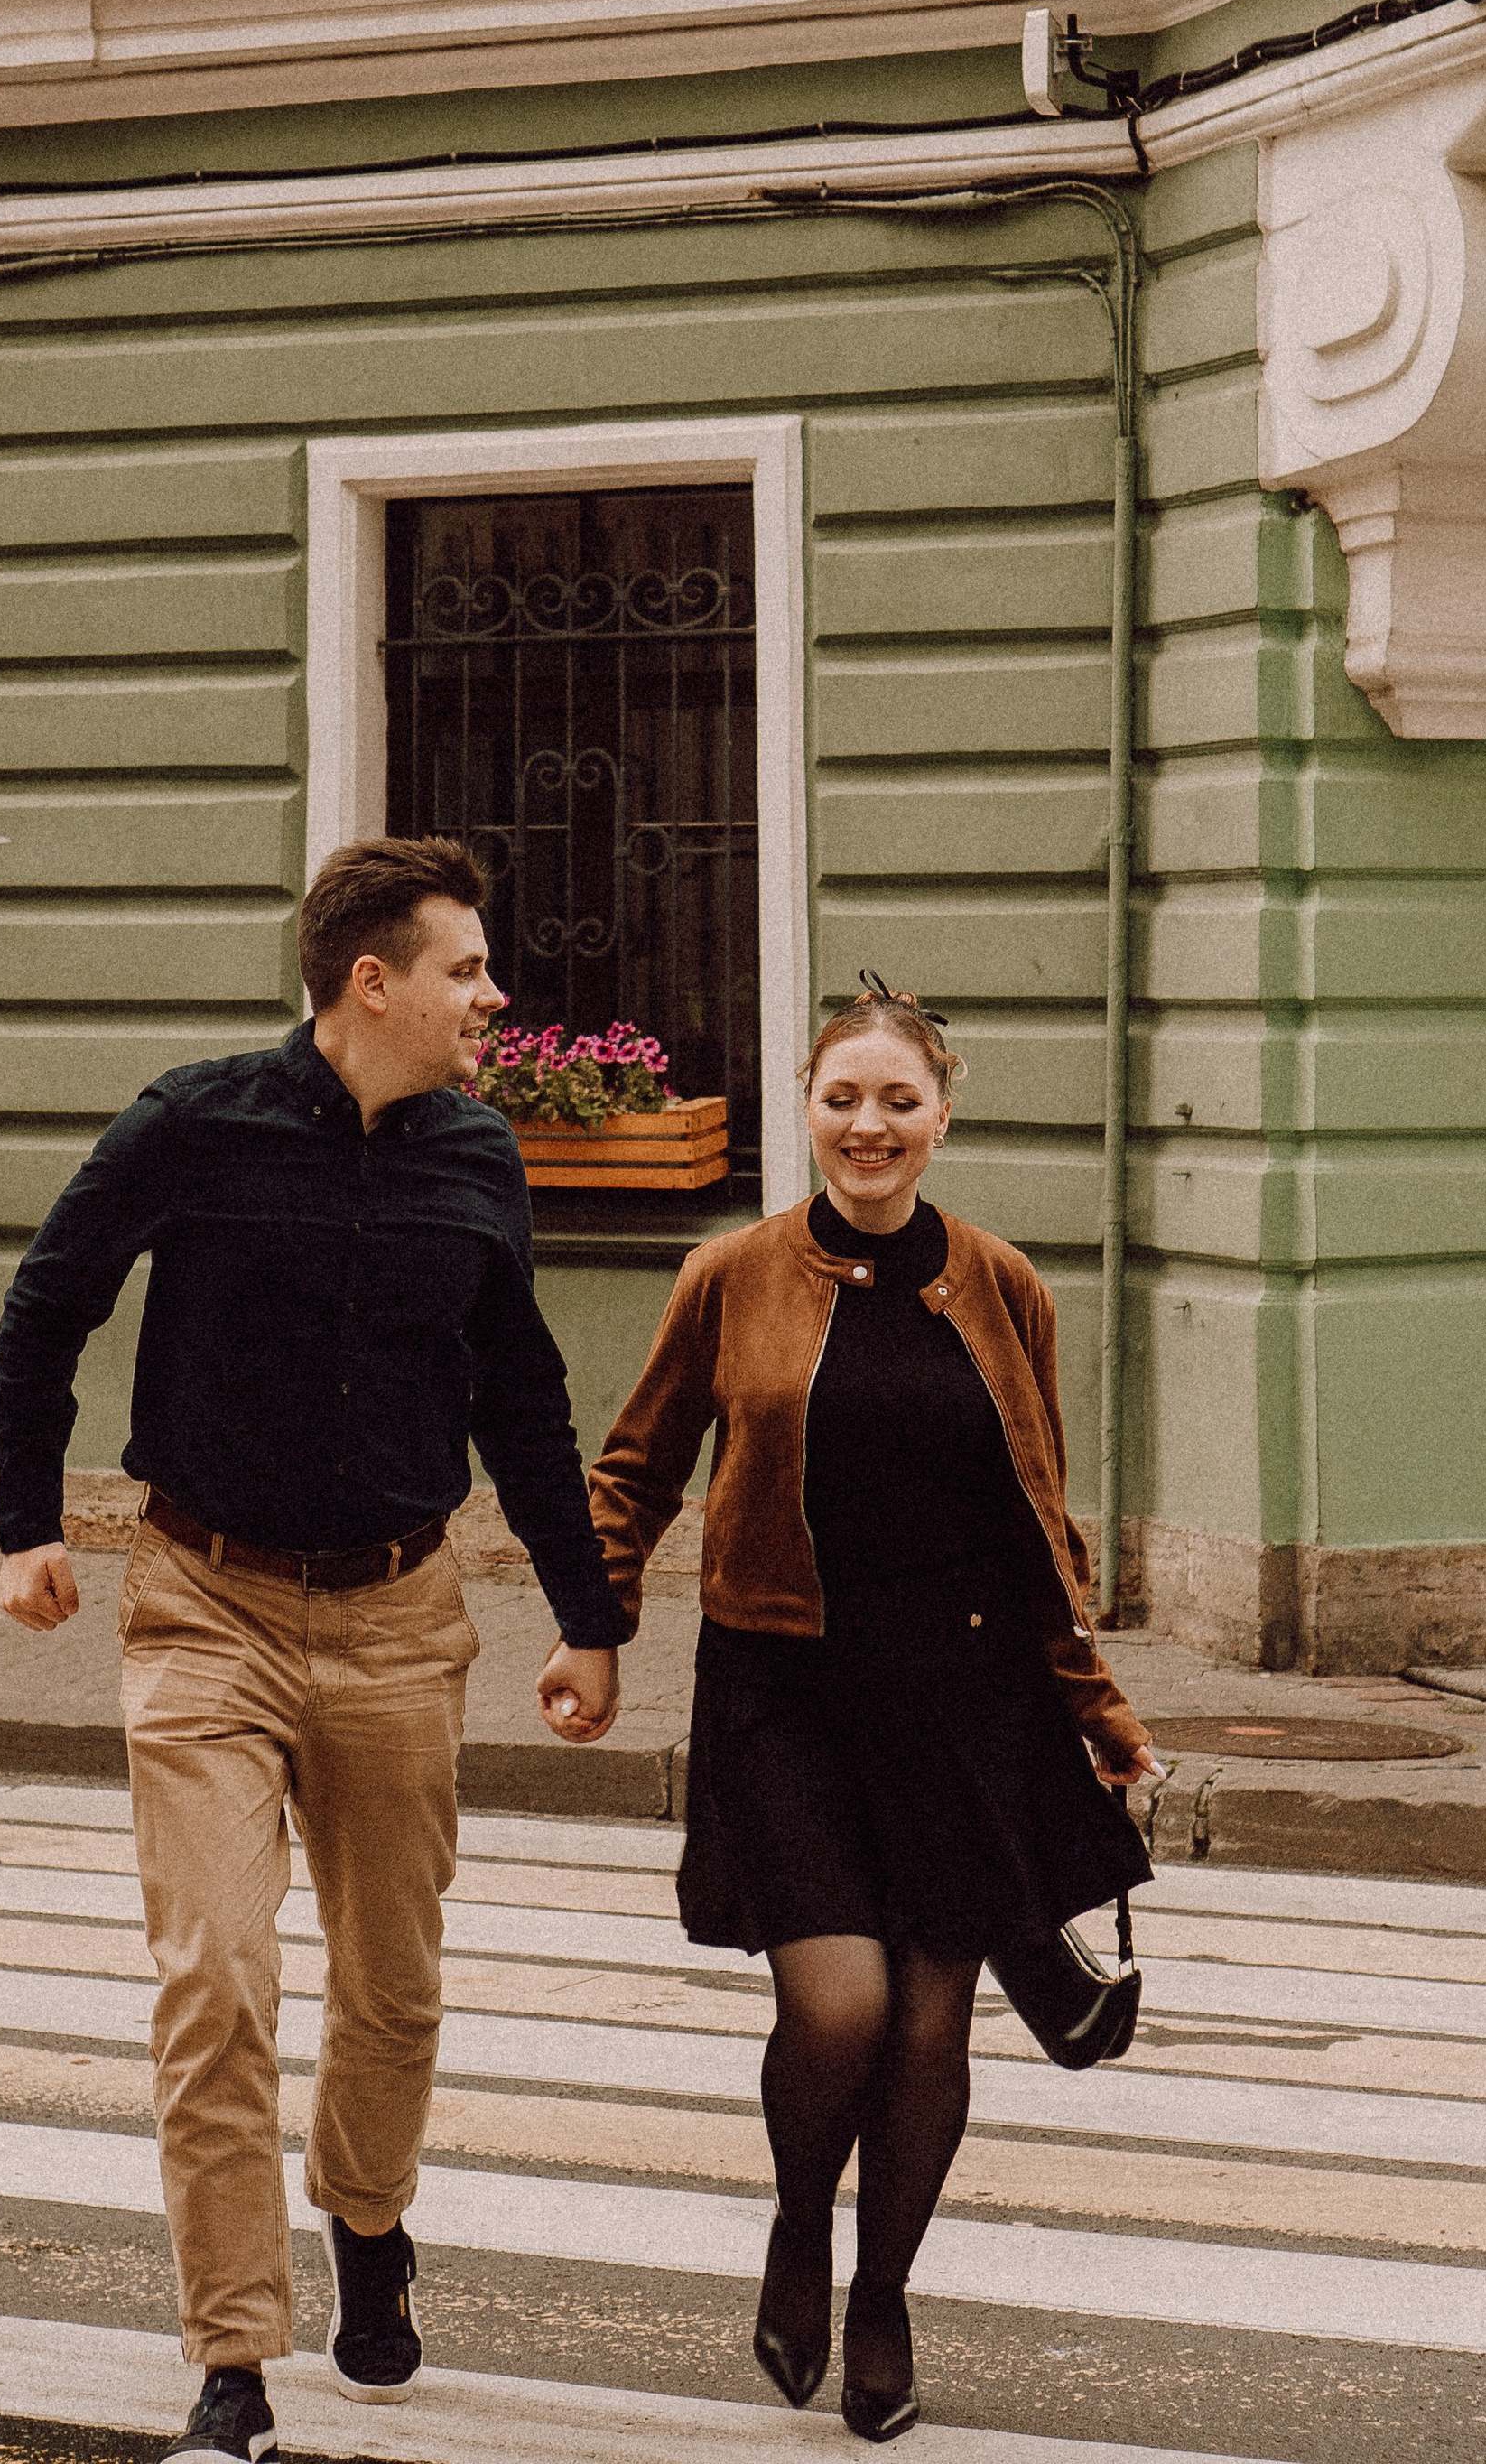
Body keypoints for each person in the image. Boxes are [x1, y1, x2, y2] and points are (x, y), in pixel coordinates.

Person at [0, 837, 626, 2464]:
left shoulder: (480, 1154)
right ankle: (232, 2362)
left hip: (403, 1619)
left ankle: (369, 2214)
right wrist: (26, 1519)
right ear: (373, 981)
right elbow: (52, 1298)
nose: (495, 996)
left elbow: (522, 1393)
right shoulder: (193, 1123)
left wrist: (587, 1614)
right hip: (207, 1603)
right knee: (215, 1979)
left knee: (392, 1983)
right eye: (468, 969)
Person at [588, 982, 1160, 2446]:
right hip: (782, 1688)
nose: (869, 1126)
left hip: (964, 1698)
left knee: (926, 2027)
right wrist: (596, 1626)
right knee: (838, 2007)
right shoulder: (731, 1273)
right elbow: (636, 1467)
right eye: (843, 1097)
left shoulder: (1003, 1285)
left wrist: (1094, 1706)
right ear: (807, 1108)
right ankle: (801, 2223)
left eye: (900, 1101)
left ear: (942, 1118)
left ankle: (883, 2297)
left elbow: (1038, 1517)